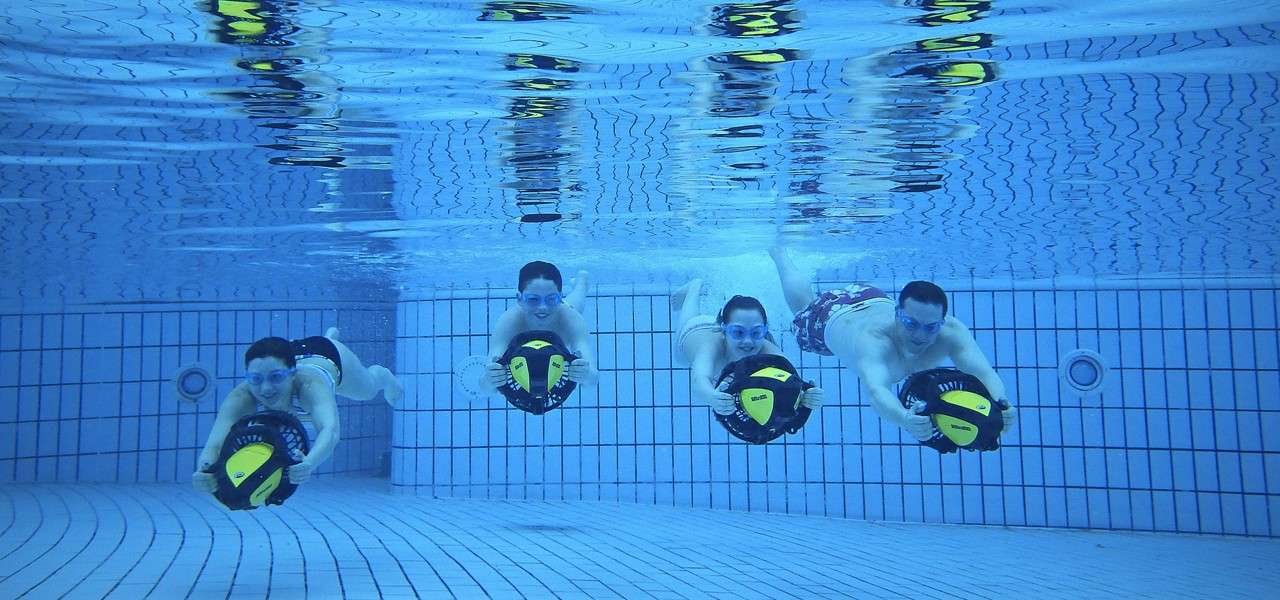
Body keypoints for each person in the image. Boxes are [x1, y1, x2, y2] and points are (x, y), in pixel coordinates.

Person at [768, 247, 1017, 441]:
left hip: (871, 296)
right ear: (897, 314)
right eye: (911, 323)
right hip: (829, 319)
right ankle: (780, 253)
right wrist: (904, 418)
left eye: (931, 327)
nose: (920, 335)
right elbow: (877, 391)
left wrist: (1000, 402)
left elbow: (983, 372)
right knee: (803, 307)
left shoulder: (952, 332)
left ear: (942, 321)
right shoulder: (874, 343)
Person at [191, 327, 402, 492]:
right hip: (290, 356)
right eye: (255, 379)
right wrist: (205, 468)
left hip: (329, 355)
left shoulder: (311, 387)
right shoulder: (242, 395)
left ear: (292, 374)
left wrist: (309, 463)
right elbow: (215, 442)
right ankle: (326, 338)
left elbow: (330, 431)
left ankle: (383, 376)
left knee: (366, 391)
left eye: (276, 378)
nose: (264, 389)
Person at [671, 279, 823, 415]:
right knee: (688, 322)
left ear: (764, 330)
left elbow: (792, 381)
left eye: (756, 332)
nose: (748, 341)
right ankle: (694, 287)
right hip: (694, 332)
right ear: (724, 329)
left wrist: (807, 395)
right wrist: (712, 397)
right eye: (738, 333)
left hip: (729, 324)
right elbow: (699, 381)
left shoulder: (767, 349)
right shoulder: (711, 347)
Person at [484, 261, 598, 391]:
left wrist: (585, 374)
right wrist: (489, 380)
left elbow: (593, 379)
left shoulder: (571, 320)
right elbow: (484, 388)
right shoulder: (509, 322)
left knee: (576, 302)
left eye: (551, 299)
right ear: (519, 299)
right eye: (533, 299)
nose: (543, 307)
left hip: (564, 313)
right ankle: (579, 284)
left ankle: (582, 284)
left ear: (560, 298)